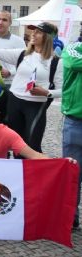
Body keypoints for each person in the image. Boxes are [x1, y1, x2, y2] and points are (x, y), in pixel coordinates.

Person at [0, 21, 62, 152]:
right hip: (14, 101)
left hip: (35, 105)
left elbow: (63, 90)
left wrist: (46, 93)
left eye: (38, 32)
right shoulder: (22, 54)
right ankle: (17, 171)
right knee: (16, 144)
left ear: (48, 37)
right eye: (33, 31)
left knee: (32, 145)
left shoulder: (56, 62)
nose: (33, 34)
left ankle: (34, 171)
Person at [61, 40, 82, 229]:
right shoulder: (73, 48)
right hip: (76, 121)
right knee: (73, 172)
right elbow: (74, 63)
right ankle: (70, 215)